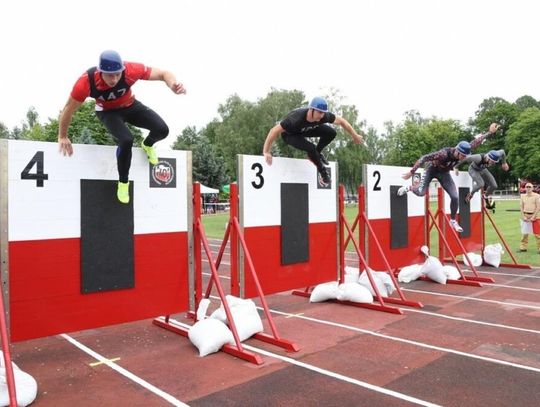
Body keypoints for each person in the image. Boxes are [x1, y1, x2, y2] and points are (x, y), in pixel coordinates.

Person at [57, 50, 186, 204]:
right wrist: (62, 136)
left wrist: (172, 84)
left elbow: (163, 73)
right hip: (108, 112)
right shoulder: (86, 82)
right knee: (126, 140)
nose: (115, 79)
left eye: (118, 74)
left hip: (130, 106)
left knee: (162, 130)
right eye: (110, 75)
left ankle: (147, 144)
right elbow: (68, 109)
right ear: (100, 72)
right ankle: (123, 183)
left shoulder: (131, 69)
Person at [397, 123, 500, 233]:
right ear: (457, 151)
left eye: (465, 156)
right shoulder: (443, 154)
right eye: (462, 156)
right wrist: (412, 171)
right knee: (421, 193)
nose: (463, 158)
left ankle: (453, 220)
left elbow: (476, 141)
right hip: (431, 169)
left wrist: (490, 133)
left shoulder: (464, 152)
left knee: (455, 197)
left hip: (444, 173)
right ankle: (409, 188)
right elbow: (424, 158)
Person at [262, 96, 364, 185]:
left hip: (305, 130)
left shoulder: (322, 117)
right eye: (319, 113)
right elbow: (273, 131)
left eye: (323, 113)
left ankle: (316, 154)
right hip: (290, 135)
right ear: (311, 110)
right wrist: (266, 151)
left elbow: (342, 121)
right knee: (311, 148)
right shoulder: (295, 119)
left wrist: (354, 135)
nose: (321, 116)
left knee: (331, 132)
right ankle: (323, 173)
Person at [519, 182, 540, 253]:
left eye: (529, 187)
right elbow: (521, 207)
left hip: (535, 217)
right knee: (524, 233)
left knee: (537, 234)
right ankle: (523, 248)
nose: (528, 188)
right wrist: (523, 216)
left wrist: (533, 216)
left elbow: (538, 207)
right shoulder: (522, 196)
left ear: (532, 188)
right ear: (525, 188)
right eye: (527, 187)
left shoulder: (537, 196)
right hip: (525, 216)